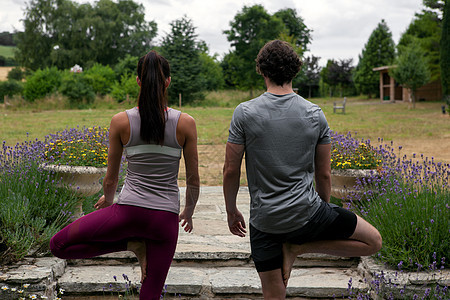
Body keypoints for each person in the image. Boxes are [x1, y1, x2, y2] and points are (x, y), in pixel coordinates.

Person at [223, 40, 382, 299]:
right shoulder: (314, 114)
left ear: (262, 71)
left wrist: (231, 210)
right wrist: (322, 215)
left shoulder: (244, 113)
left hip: (265, 222)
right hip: (308, 214)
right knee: (373, 241)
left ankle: (293, 248)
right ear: (294, 71)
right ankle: (299, 248)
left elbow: (230, 169)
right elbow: (324, 174)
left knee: (274, 295)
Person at [50, 50, 200, 300]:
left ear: (138, 81)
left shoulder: (121, 121)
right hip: (165, 221)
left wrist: (108, 201)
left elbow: (111, 178)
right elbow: (193, 179)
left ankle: (131, 244)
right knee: (150, 294)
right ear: (168, 81)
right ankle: (136, 245)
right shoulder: (186, 123)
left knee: (58, 245)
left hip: (128, 213)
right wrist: (189, 211)